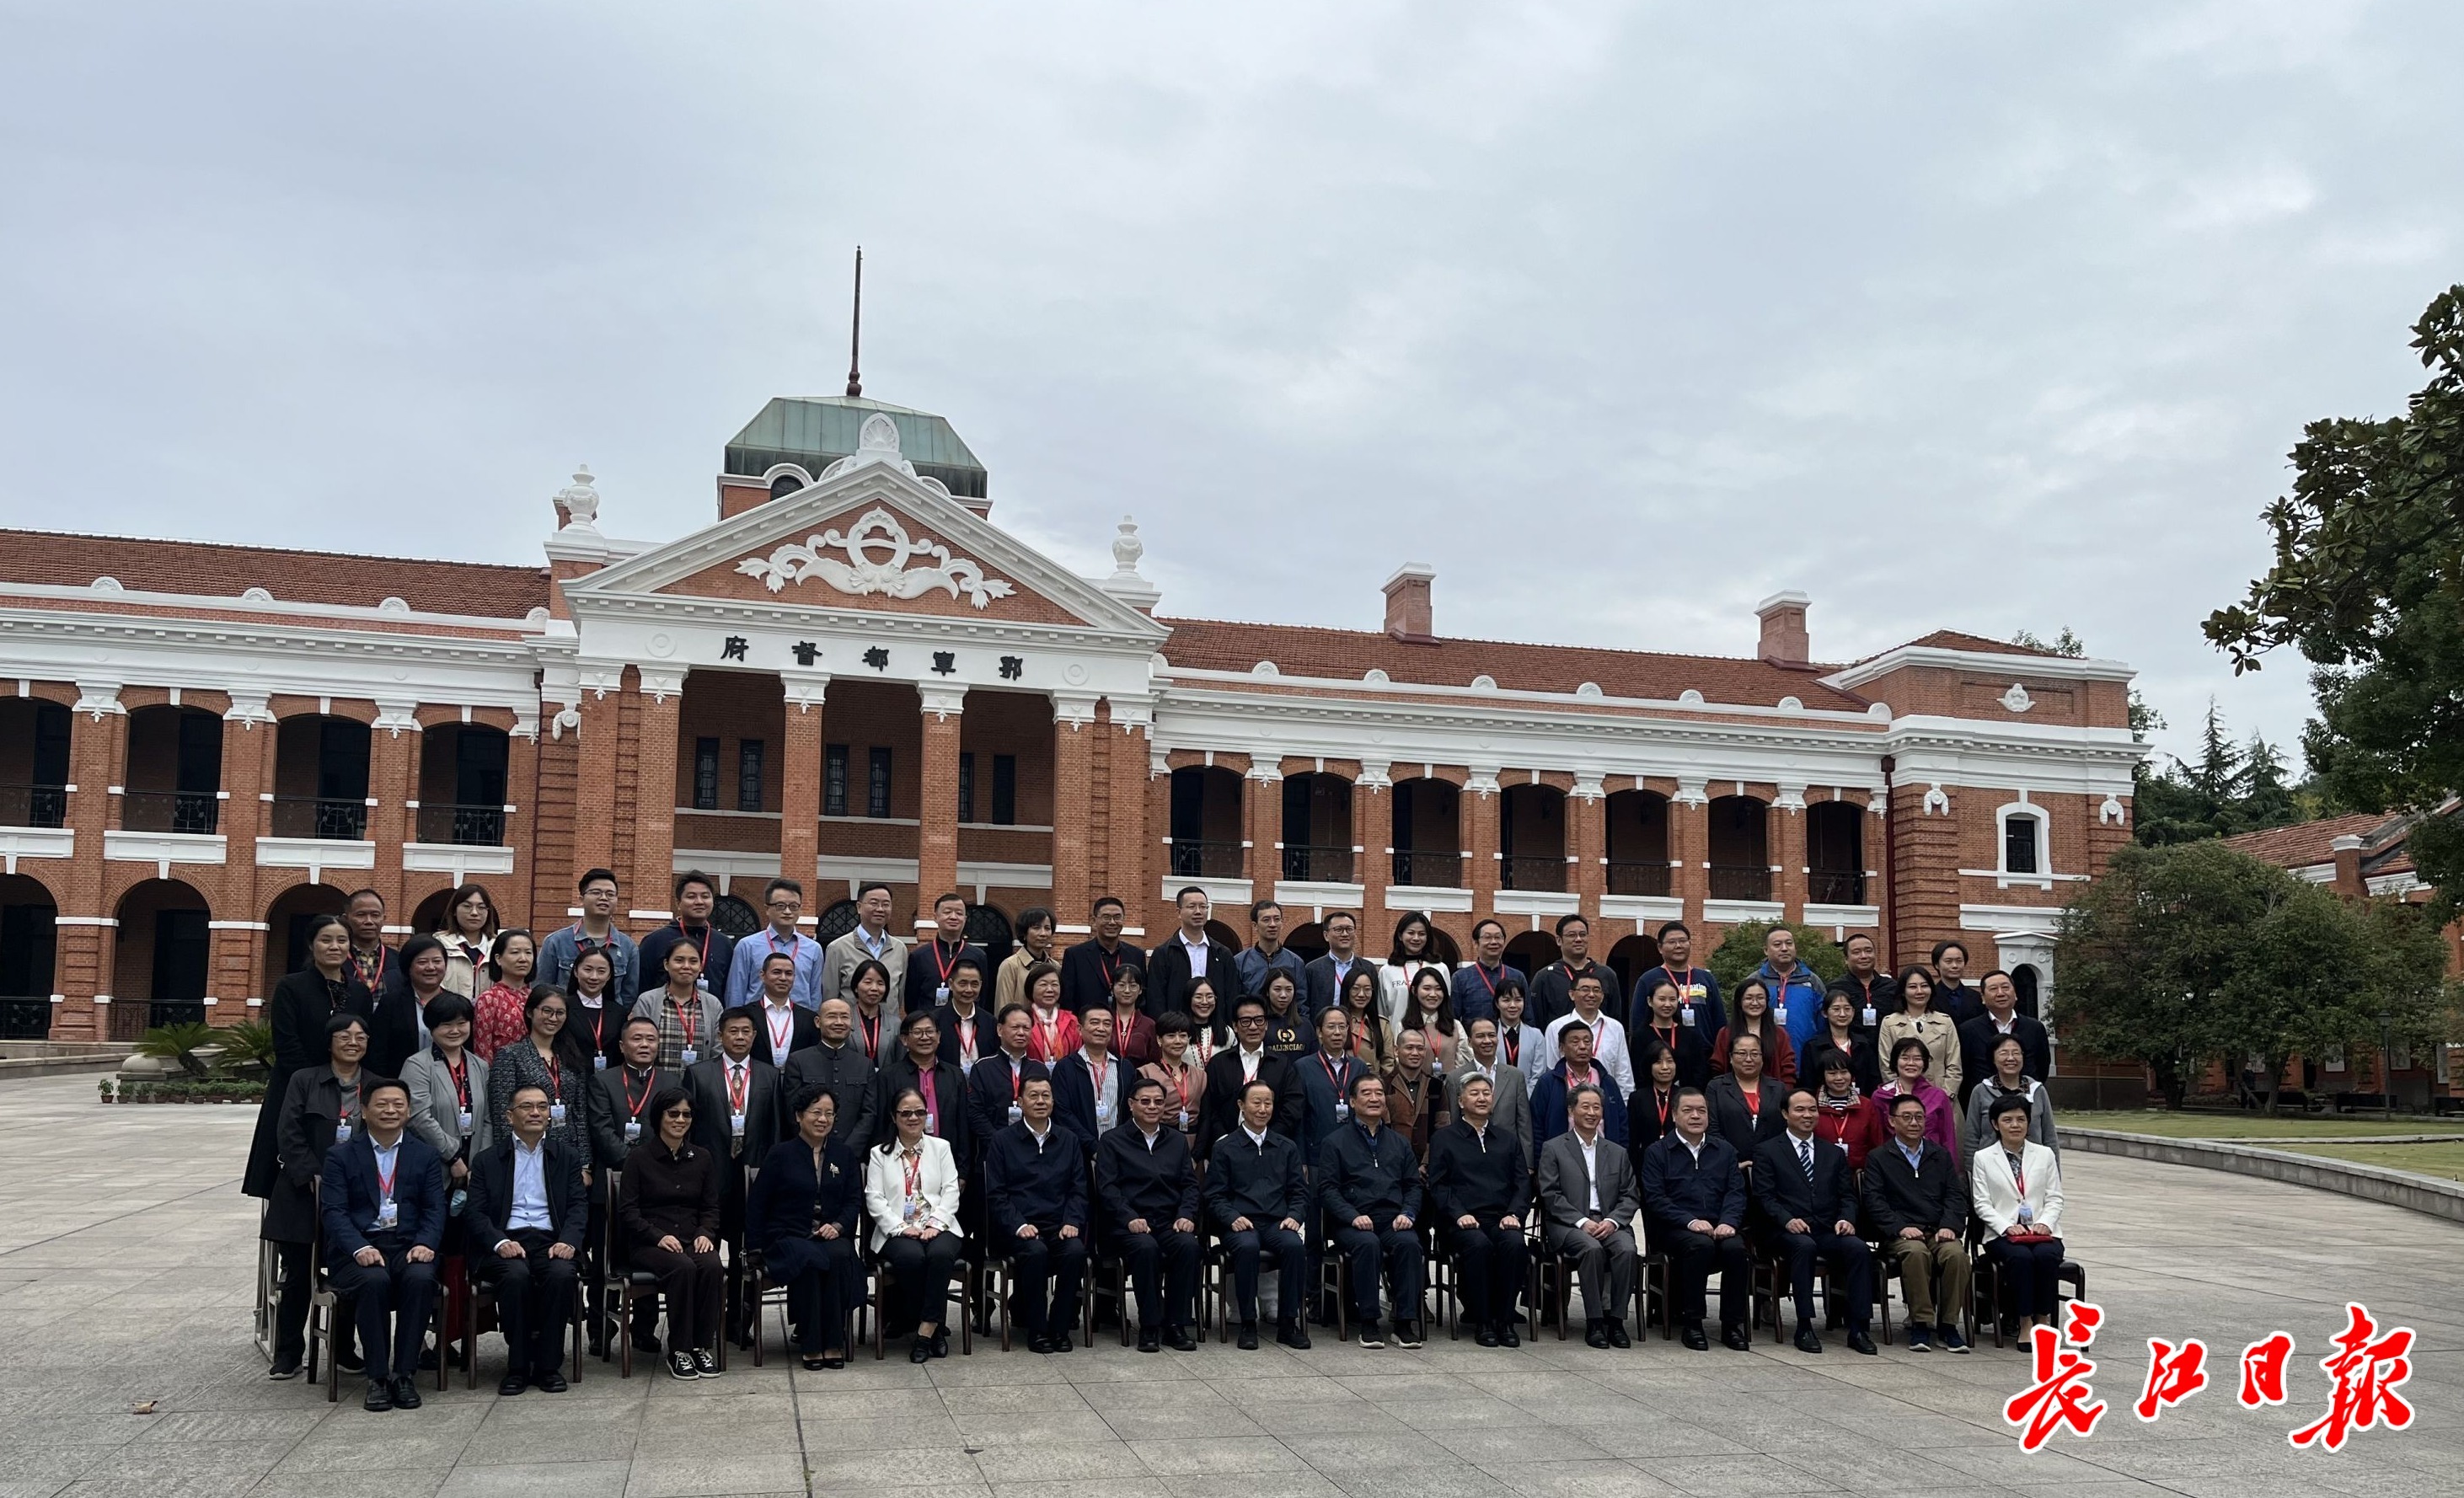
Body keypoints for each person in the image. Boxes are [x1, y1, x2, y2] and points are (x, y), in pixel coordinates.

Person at [322, 1075, 447, 1410]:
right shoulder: (341, 1156)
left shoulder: (425, 1155)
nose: (390, 1110)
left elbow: (435, 1208)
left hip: (409, 1245)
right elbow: (333, 1212)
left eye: (398, 1105)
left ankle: (404, 1375)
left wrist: (426, 1243)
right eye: (381, 1104)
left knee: (420, 1279)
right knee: (373, 1282)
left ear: (408, 1111)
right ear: (364, 1111)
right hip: (358, 1250)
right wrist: (359, 1247)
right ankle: (377, 1378)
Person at [262, 1012, 371, 1380]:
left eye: (360, 1037)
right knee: (298, 1276)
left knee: (350, 1273)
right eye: (344, 1036)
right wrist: (312, 1175)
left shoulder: (375, 1085)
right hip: (304, 1194)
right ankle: (289, 1352)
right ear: (329, 1042)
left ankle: (343, 1348)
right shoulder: (304, 1080)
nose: (353, 1042)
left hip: (356, 1198)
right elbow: (289, 1130)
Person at [465, 1083, 587, 1394]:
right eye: (527, 1107)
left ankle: (548, 1366)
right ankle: (518, 1366)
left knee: (561, 1274)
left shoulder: (567, 1157)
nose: (536, 1113)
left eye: (542, 1107)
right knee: (516, 1277)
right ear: (509, 1116)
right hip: (507, 1240)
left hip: (551, 1240)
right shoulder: (487, 1160)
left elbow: (577, 1206)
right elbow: (476, 1214)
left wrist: (569, 1241)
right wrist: (500, 1242)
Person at [1751, 1089, 1877, 1355]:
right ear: (1785, 1114)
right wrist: (1787, 1220)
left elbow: (1847, 1195)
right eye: (1800, 1110)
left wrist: (1847, 1218)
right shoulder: (1768, 1151)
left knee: (1858, 1249)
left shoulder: (1832, 1153)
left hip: (1826, 1228)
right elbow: (1764, 1197)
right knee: (1803, 1247)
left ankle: (1859, 1327)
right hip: (1784, 1231)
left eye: (1812, 1109)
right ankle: (1805, 1325)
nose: (1807, 1115)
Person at [247, 913, 359, 1206]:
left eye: (342, 940)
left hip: (349, 1091)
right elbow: (287, 1044)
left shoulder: (358, 991)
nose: (334, 946)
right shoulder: (291, 987)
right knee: (296, 1183)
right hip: (297, 1089)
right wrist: (318, 1085)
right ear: (312, 945)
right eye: (326, 939)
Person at [747, 1086, 860, 1369]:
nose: (823, 1119)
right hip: (787, 1235)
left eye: (829, 1114)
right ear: (799, 1116)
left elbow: (853, 1200)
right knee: (809, 1259)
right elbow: (759, 1203)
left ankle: (833, 1341)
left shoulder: (844, 1155)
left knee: (837, 1256)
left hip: (830, 1234)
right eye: (816, 1112)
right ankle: (811, 1343)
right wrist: (754, 1247)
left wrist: (839, 1225)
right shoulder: (780, 1154)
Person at [688, 1007, 782, 1348]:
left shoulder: (771, 1076)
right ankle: (706, 1324)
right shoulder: (699, 1074)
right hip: (711, 1179)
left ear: (755, 1036)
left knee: (749, 1254)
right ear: (720, 1035)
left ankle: (742, 1323)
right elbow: (691, 1130)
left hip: (753, 1179)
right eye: (733, 1032)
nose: (740, 1037)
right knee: (707, 1254)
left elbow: (775, 1130)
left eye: (746, 1032)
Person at [618, 1087, 725, 1379]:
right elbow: (628, 1212)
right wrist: (657, 1236)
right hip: (649, 1243)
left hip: (691, 1238)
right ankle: (679, 1350)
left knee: (712, 1265)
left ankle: (701, 1347)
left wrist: (706, 1233)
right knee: (683, 1268)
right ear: (659, 1117)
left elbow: (711, 1207)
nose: (680, 1120)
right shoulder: (639, 1159)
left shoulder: (702, 1158)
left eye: (686, 1114)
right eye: (673, 1114)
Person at [1638, 1087, 1752, 1351]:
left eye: (1701, 1111)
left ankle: (1732, 1325)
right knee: (1699, 1245)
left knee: (1736, 1248)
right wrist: (1690, 1221)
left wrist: (1729, 1222)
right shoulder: (1658, 1152)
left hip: (1718, 1225)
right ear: (1675, 1115)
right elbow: (1655, 1199)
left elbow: (1736, 1193)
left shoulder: (1724, 1151)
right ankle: (1693, 1322)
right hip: (1675, 1228)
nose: (1696, 1116)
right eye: (1688, 1110)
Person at [1317, 1073, 1426, 1349]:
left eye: (1379, 1093)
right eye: (1366, 1093)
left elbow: (1414, 1186)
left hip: (1392, 1219)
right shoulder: (1335, 1142)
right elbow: (1328, 1189)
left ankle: (1404, 1322)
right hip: (1351, 1221)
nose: (1374, 1098)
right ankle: (1368, 1320)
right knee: (1367, 1245)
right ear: (1352, 1102)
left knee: (1410, 1244)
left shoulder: (1399, 1143)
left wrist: (1408, 1213)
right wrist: (1352, 1215)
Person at [1203, 1079, 1312, 1350]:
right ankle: (1248, 1323)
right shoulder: (1225, 1147)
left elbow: (1300, 1191)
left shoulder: (1285, 1147)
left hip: (1277, 1222)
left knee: (1294, 1247)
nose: (1263, 1109)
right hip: (1240, 1224)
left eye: (1268, 1103)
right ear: (1241, 1106)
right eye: (1256, 1102)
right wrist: (1231, 1217)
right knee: (1248, 1247)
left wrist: (1295, 1215)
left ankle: (1288, 1322)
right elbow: (1214, 1195)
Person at [983, 1075, 1088, 1353]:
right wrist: (1018, 1225)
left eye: (1046, 1096)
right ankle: (1037, 1329)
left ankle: (1060, 1327)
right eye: (1034, 1096)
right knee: (1036, 1253)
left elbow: (1078, 1189)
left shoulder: (1068, 1140)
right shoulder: (1002, 1141)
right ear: (1020, 1102)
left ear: (1053, 1101)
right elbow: (996, 1194)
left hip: (1058, 1225)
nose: (1041, 1101)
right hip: (1017, 1228)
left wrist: (1072, 1221)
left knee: (1075, 1251)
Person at [1097, 1078, 1203, 1351]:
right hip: (1128, 1225)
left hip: (1168, 1221)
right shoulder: (1112, 1141)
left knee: (1189, 1246)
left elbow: (1190, 1185)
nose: (1152, 1107)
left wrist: (1186, 1214)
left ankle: (1175, 1325)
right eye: (1145, 1101)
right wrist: (1129, 1217)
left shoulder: (1177, 1141)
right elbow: (1107, 1189)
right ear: (1131, 1105)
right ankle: (1149, 1326)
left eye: (1158, 1101)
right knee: (1146, 1249)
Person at [1863, 1092, 1973, 1353]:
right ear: (1892, 1122)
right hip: (1899, 1235)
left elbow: (1955, 1197)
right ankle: (1921, 1322)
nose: (1914, 1123)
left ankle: (1948, 1325)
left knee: (1957, 1256)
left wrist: (1950, 1226)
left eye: (1919, 1117)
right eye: (1907, 1117)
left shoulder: (1940, 1155)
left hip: (1937, 1231)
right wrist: (1900, 1227)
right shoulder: (1879, 1158)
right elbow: (1875, 1201)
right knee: (1915, 1253)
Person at [1428, 1072, 1530, 1346]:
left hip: (1500, 1218)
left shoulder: (1507, 1140)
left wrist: (1514, 1214)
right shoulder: (1444, 1139)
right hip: (1460, 1220)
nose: (1482, 1098)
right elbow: (1438, 1186)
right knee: (1479, 1246)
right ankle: (1482, 1320)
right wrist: (1459, 1213)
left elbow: (1522, 1184)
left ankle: (1505, 1320)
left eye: (1486, 1093)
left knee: (1515, 1245)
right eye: (1474, 1093)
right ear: (1460, 1101)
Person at [865, 1086, 965, 1362]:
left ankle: (925, 1331)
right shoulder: (879, 1154)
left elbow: (951, 1190)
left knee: (940, 1254)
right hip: (898, 1229)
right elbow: (874, 1199)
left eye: (919, 1112)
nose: (913, 1118)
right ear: (894, 1117)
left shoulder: (940, 1147)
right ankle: (934, 1328)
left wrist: (935, 1222)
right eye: (906, 1113)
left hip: (939, 1225)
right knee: (911, 1258)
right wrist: (901, 1228)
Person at [587, 1015, 667, 1358]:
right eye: (637, 1039)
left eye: (651, 1039)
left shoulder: (671, 1081)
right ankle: (600, 1328)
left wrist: (650, 1169)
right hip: (610, 1184)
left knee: (648, 1254)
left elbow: (676, 1130)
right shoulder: (602, 1081)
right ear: (622, 1046)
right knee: (605, 1259)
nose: (644, 1045)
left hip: (657, 1186)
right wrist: (637, 1165)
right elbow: (602, 1131)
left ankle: (644, 1329)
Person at [1538, 1082, 1640, 1349]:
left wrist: (1613, 1221)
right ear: (1572, 1110)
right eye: (1585, 1106)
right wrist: (1582, 1221)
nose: (1592, 1112)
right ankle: (1594, 1322)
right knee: (1591, 1249)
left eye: (1597, 1107)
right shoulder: (1554, 1148)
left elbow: (1631, 1194)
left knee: (1627, 1250)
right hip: (1569, 1225)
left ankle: (1616, 1321)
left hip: (1610, 1222)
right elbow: (1550, 1194)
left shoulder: (1617, 1153)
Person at [1972, 1093, 2068, 1337]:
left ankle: (2043, 1319)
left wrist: (2045, 1223)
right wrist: (2006, 1227)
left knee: (2046, 1256)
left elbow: (2055, 1197)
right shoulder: (1983, 1158)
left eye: (2021, 1119)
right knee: (2021, 1259)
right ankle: (2024, 1321)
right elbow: (1982, 1203)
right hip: (2002, 1235)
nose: (2015, 1125)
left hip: (2042, 1232)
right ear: (1995, 1124)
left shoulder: (2044, 1154)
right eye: (2008, 1120)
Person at [402, 992, 490, 1203]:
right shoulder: (417, 1065)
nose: (455, 1030)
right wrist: (453, 1157)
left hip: (474, 1172)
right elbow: (419, 1118)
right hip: (433, 1167)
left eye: (462, 1023)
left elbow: (488, 1118)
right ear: (432, 1027)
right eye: (446, 1024)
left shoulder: (481, 1065)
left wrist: (479, 1163)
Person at [486, 987, 590, 1158]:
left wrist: (585, 1163)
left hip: (567, 1151)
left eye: (560, 1013)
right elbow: (502, 1114)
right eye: (547, 1011)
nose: (553, 1018)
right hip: (526, 1148)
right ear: (530, 1012)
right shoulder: (510, 1055)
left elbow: (580, 1114)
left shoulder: (572, 1057)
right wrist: (508, 1158)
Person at [781, 998, 880, 1157]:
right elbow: (793, 1111)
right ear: (818, 1022)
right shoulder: (798, 1060)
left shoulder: (865, 1064)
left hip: (851, 1155)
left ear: (852, 1023)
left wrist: (847, 1152)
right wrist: (812, 1147)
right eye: (832, 1016)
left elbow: (868, 1114)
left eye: (845, 1017)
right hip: (806, 1153)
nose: (839, 1022)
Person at [1199, 998, 1302, 1143]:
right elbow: (1210, 1108)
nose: (1253, 1027)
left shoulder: (1282, 1064)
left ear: (1266, 1024)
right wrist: (1224, 1139)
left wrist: (1269, 1138)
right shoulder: (1218, 1064)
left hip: (1272, 1147)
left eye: (1259, 1020)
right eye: (1246, 1021)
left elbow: (1293, 1106)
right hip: (1227, 1147)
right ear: (1235, 1026)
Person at [876, 1010, 971, 1165]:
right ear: (904, 1039)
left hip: (945, 1160)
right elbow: (881, 1125)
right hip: (899, 1160)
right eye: (918, 1032)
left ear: (939, 1037)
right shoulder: (888, 1076)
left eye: (930, 1031)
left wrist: (963, 1169)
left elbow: (963, 1126)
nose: (925, 1037)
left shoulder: (955, 1075)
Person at [539, 869, 640, 1004]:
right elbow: (541, 989)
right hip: (565, 1021)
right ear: (581, 899)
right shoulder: (556, 942)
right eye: (596, 892)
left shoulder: (628, 947)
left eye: (610, 894)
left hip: (608, 1023)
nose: (604, 898)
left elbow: (629, 995)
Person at [639, 871, 737, 1009]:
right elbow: (642, 985)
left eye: (705, 896)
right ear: (678, 903)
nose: (699, 902)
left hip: (711, 1020)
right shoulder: (655, 940)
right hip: (664, 1018)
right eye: (691, 897)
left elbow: (728, 988)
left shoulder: (723, 943)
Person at [1958, 971, 2052, 1106]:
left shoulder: (2034, 1028)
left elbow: (2042, 1066)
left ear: (2015, 994)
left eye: (2006, 987)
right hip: (1985, 1104)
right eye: (1993, 989)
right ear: (1983, 998)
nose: (2001, 993)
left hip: (2026, 1104)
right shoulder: (1968, 1030)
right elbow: (1965, 1070)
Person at [632, 941, 725, 1074]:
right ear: (666, 965)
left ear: (700, 966)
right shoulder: (647, 1001)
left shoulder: (713, 1004)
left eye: (693, 961)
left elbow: (717, 1051)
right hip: (656, 1087)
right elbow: (638, 1047)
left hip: (699, 1087)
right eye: (679, 960)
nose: (686, 966)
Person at [1449, 1017, 1533, 1164]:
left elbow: (1524, 1123)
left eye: (1492, 1035)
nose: (1487, 1041)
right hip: (1468, 1156)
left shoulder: (1515, 1076)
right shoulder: (1455, 1077)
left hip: (1508, 1156)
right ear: (1469, 1041)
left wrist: (1528, 1164)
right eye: (1480, 1036)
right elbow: (1453, 1121)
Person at [966, 1005, 1049, 1152]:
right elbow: (975, 1113)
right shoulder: (983, 1068)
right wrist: (998, 1143)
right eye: (1015, 1027)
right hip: (994, 1148)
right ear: (999, 1030)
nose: (1021, 1033)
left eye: (1026, 1028)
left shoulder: (1039, 1069)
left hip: (1033, 1147)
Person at [737, 877, 827, 1012]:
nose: (788, 912)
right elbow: (736, 992)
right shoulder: (747, 946)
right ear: (767, 909)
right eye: (780, 906)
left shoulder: (813, 949)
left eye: (794, 906)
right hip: (756, 1022)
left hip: (800, 1023)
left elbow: (815, 994)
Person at [1964, 1035, 2059, 1162]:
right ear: (1993, 1058)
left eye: (2016, 1053)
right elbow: (1972, 1137)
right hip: (1991, 1166)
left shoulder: (2037, 1091)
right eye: (2003, 1053)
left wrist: (2054, 1171)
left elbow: (2050, 1136)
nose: (2010, 1058)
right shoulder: (1981, 1091)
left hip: (2034, 1165)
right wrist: (1973, 1171)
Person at [1531, 1020, 1628, 1144]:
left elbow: (1622, 1124)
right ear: (1562, 1048)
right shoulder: (1548, 1082)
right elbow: (1536, 1126)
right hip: (1562, 1157)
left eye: (1587, 1042)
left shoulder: (1607, 1081)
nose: (1582, 1046)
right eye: (1575, 1042)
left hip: (1603, 1155)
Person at [1052, 1004, 1129, 1157]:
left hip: (1119, 1152)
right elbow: (1063, 1113)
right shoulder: (1066, 1067)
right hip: (1078, 1152)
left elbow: (1129, 1111)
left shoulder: (1124, 1068)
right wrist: (1094, 1147)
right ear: (1079, 1029)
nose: (1101, 1028)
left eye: (1107, 1024)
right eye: (1094, 1023)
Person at [1149, 885, 1239, 1015]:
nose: (1198, 912)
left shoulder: (1222, 953)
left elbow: (1231, 995)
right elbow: (1156, 997)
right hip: (1177, 1028)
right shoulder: (1164, 953)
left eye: (1203, 907)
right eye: (1192, 907)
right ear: (1179, 912)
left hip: (1214, 1028)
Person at [1545, 969, 1635, 1095]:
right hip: (1567, 1101)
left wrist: (1624, 1105)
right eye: (1585, 989)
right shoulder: (1556, 1027)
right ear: (1571, 994)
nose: (1591, 994)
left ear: (1602, 996)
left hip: (1606, 1100)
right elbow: (1552, 1069)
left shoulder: (1615, 1028)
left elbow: (1623, 1073)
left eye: (1597, 990)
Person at [1874, 1037, 1962, 1164]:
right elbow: (1877, 1138)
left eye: (1917, 1059)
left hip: (1932, 1162)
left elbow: (1948, 1138)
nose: (1911, 1063)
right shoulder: (1880, 1096)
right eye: (1905, 1058)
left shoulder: (1938, 1096)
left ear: (1924, 1063)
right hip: (1893, 1163)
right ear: (1895, 1061)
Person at [1527, 914, 1624, 1030]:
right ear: (1559, 940)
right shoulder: (1545, 977)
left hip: (1600, 1045)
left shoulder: (1607, 975)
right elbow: (1537, 1020)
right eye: (1572, 935)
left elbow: (1615, 1017)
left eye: (1582, 935)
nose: (1578, 939)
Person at [1877, 966, 1962, 1098]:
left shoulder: (1945, 1022)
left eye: (1924, 986)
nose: (1919, 991)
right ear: (1903, 992)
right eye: (1912, 987)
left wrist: (1945, 1095)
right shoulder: (1890, 1023)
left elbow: (1954, 1065)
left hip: (1942, 1098)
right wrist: (1903, 1097)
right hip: (1905, 1102)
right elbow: (1887, 1067)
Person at [819, 880, 903, 1013]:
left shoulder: (899, 949)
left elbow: (898, 996)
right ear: (859, 907)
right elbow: (830, 997)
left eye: (886, 904)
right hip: (850, 1029)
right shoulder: (838, 948)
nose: (880, 909)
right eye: (874, 903)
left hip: (888, 1029)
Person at [1297, 1007, 1363, 1172]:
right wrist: (1302, 1159)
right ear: (1319, 1032)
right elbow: (1299, 1118)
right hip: (1317, 1156)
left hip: (1354, 1154)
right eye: (1331, 1026)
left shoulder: (1359, 1067)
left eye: (1342, 1027)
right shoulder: (1303, 1067)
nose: (1337, 1032)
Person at [905, 891, 988, 1021]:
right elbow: (911, 1001)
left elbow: (982, 998)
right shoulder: (919, 956)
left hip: (965, 1024)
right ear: (936, 917)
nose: (953, 917)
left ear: (965, 919)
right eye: (947, 912)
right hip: (929, 1027)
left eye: (959, 913)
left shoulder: (978, 956)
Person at [1706, 1031, 1788, 1161]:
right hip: (1728, 1161)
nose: (1749, 1059)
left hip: (1772, 1162)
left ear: (1762, 1058)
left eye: (1755, 1054)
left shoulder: (1778, 1088)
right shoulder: (1716, 1087)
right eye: (1741, 1053)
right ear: (1731, 1058)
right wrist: (1733, 1157)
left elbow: (1785, 1128)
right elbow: (1712, 1128)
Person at [1058, 895, 1146, 1015]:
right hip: (1087, 1026)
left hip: (1126, 1028)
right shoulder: (1075, 955)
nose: (1112, 922)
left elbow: (1142, 998)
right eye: (1106, 917)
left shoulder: (1136, 955)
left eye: (1117, 917)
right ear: (1094, 921)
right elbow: (1067, 999)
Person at [380, 934, 453, 1078]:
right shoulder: (391, 1003)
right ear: (408, 967)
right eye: (422, 962)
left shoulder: (454, 1004)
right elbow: (379, 1052)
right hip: (400, 1084)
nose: (431, 967)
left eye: (437, 961)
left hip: (447, 1084)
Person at [1634, 922, 1723, 1036]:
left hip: (1704, 1051)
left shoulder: (1706, 978)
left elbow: (1719, 1020)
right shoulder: (1648, 979)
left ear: (1690, 944)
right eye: (1672, 942)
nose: (1678, 946)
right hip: (1663, 1051)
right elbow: (1638, 1022)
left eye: (1682, 941)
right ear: (1660, 948)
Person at [1749, 925, 1824, 1054]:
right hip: (1764, 1057)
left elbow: (1824, 1021)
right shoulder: (1754, 982)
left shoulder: (1811, 981)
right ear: (1766, 950)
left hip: (1805, 1057)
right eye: (1777, 944)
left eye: (1789, 943)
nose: (1784, 948)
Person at [1711, 976, 1797, 1085]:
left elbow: (1788, 1069)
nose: (1755, 1003)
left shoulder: (1779, 1034)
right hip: (1732, 1096)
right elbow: (1718, 1067)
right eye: (1749, 998)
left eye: (1760, 998)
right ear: (1739, 1001)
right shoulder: (1726, 1033)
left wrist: (1783, 1096)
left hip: (1773, 1096)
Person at [471, 928, 538, 1063]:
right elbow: (483, 1049)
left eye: (528, 953)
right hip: (502, 1076)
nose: (523, 959)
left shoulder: (537, 998)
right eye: (515, 952)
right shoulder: (489, 999)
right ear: (498, 958)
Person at [1634, 980, 1714, 1089]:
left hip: (1687, 1097)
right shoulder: (1641, 1036)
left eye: (1672, 999)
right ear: (1650, 1001)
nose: (1667, 1004)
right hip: (1651, 1098)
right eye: (1662, 999)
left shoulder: (1690, 1035)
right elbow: (1638, 1073)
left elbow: (1699, 1072)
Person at [1141, 1012, 1208, 1142]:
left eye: (1183, 1036)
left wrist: (1197, 1154)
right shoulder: (1146, 1073)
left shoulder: (1200, 1075)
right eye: (1171, 1036)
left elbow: (1206, 1117)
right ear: (1159, 1040)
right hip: (1159, 1141)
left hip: (1192, 1141)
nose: (1178, 1041)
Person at [1802, 989, 1883, 1096]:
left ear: (1853, 1012)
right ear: (1825, 1013)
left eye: (1847, 1009)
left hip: (1861, 1103)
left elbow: (1873, 1080)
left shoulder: (1864, 1044)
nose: (1842, 1014)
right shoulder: (1813, 1047)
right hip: (1824, 1105)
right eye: (1836, 1009)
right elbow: (1808, 1082)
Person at [1384, 1027, 1448, 1161]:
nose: (1415, 1053)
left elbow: (1442, 1129)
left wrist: (1426, 1162)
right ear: (1396, 1050)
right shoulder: (1384, 1085)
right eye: (1409, 1048)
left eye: (1420, 1048)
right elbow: (1382, 1128)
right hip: (1393, 1162)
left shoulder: (1436, 1086)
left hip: (1428, 1164)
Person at [1813, 1054, 1886, 1169]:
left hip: (1859, 1174)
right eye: (1832, 1073)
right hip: (1821, 1173)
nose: (1839, 1078)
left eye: (1844, 1072)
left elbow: (1876, 1143)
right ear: (1823, 1076)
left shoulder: (1866, 1105)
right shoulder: (1812, 1105)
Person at [1379, 912, 1450, 1029]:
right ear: (1400, 936)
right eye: (1411, 933)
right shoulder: (1387, 971)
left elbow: (1446, 1007)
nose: (1416, 938)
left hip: (1433, 1039)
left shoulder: (1440, 968)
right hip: (1398, 1039)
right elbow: (1382, 1013)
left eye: (1421, 934)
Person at [751, 951, 822, 1070]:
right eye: (776, 972)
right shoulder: (747, 1015)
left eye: (788, 973)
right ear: (762, 975)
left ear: (794, 978)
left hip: (797, 1083)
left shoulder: (809, 1018)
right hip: (758, 1081)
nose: (783, 978)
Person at [561, 947, 625, 1074]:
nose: (594, 977)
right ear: (576, 971)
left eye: (601, 971)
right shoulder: (563, 1007)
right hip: (572, 1079)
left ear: (609, 976)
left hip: (608, 1083)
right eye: (588, 970)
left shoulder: (619, 1012)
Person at [1302, 910, 1374, 1020]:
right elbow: (1305, 1006)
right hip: (1323, 1032)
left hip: (1359, 1032)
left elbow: (1374, 1006)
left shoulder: (1368, 968)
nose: (1345, 934)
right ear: (1326, 935)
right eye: (1339, 930)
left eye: (1349, 929)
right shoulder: (1313, 969)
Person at [434, 883, 499, 1000]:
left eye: (481, 907)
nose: (474, 913)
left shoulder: (499, 947)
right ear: (454, 910)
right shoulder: (438, 945)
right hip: (450, 1015)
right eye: (467, 906)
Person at [1237, 899, 1308, 1002]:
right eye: (1266, 920)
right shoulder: (1240, 962)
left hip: (1286, 1017)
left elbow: (1301, 1002)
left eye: (1277, 919)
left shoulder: (1296, 962)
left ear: (1282, 923)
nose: (1273, 925)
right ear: (1255, 926)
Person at [994, 905, 1058, 1014]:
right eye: (1036, 928)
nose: (1043, 933)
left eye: (1047, 928)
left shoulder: (1055, 966)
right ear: (1024, 933)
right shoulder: (1010, 965)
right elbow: (1003, 1009)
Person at [931, 955, 991, 1071]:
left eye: (974, 984)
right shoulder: (935, 1020)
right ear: (951, 984)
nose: (969, 990)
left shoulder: (989, 1022)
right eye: (963, 983)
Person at [1398, 967, 1459, 1078]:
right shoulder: (1403, 1027)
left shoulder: (1455, 1026)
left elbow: (1463, 1065)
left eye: (1438, 989)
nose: (1433, 994)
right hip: (1416, 1090)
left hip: (1450, 1090)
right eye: (1427, 988)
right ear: (1414, 991)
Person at [1824, 932, 1898, 1022]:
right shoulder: (1835, 988)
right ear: (1846, 959)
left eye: (1868, 951)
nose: (1864, 956)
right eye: (1856, 952)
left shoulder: (1892, 987)